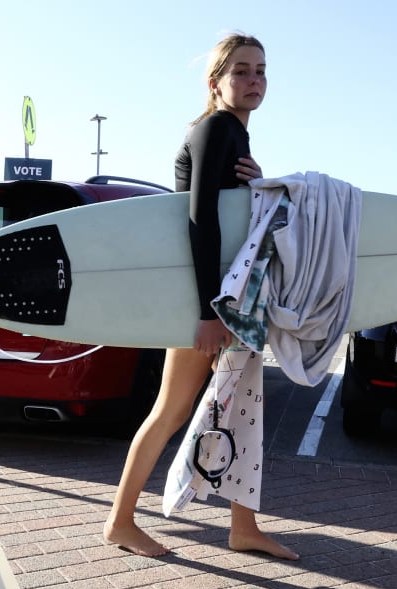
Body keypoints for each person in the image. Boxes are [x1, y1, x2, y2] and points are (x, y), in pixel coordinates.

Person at [103, 34, 298, 560]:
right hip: (212, 300)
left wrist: (261, 183)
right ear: (216, 82)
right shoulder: (217, 128)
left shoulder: (235, 134)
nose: (253, 80)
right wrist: (207, 312)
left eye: (260, 71)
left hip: (228, 298)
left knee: (239, 407)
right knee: (171, 408)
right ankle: (120, 521)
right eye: (241, 71)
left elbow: (237, 220)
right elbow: (200, 222)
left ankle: (244, 527)